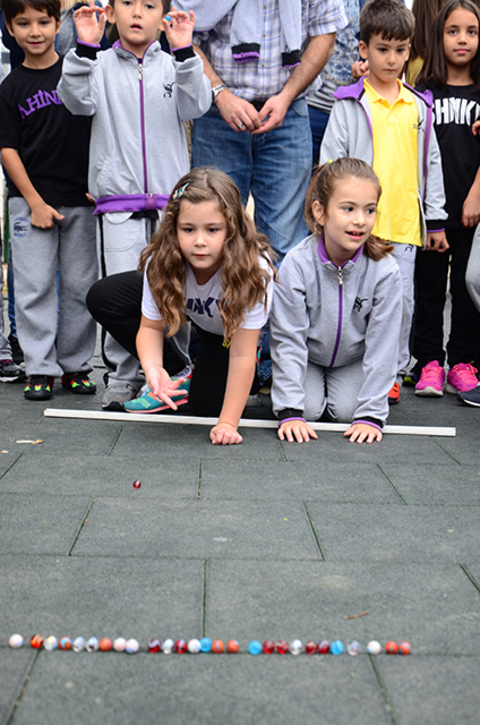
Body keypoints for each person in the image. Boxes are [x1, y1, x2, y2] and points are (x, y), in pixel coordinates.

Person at [57, 0, 211, 410]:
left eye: (148, 5)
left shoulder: (174, 63)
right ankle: (123, 377)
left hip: (171, 208)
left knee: (171, 293)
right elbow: (73, 100)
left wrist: (184, 53)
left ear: (163, 16)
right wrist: (84, 48)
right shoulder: (99, 64)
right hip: (118, 205)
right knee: (123, 294)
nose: (137, 12)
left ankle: (174, 375)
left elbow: (197, 105)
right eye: (127, 3)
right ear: (110, 12)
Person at [89, 168, 276, 445]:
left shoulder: (254, 271)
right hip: (203, 318)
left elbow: (241, 355)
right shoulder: (162, 262)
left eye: (212, 229)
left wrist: (227, 423)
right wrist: (153, 369)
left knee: (208, 405)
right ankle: (180, 372)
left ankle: (262, 367)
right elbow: (150, 327)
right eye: (188, 229)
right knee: (104, 294)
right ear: (173, 227)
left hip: (232, 336)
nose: (199, 241)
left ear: (232, 228)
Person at [320, 0, 448, 406]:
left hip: (406, 226)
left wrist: (437, 219)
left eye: (400, 49)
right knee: (356, 305)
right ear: (363, 49)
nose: (391, 59)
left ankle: (392, 374)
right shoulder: (348, 102)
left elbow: (432, 165)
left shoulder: (419, 105)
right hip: (358, 229)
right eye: (382, 49)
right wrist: (327, 215)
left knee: (400, 306)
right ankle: (351, 371)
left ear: (410, 50)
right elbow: (329, 163)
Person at [174, 0, 348, 262]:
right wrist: (221, 94)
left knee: (287, 244)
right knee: (211, 237)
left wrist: (287, 96)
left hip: (288, 111)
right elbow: (184, 35)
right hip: (218, 114)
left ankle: (279, 304)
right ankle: (219, 305)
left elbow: (324, 33)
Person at [0, 0, 98, 401]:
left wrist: (98, 181)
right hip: (30, 203)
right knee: (34, 286)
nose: (35, 31)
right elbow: (8, 150)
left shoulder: (79, 73)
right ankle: (39, 367)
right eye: (23, 23)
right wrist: (34, 202)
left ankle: (75, 365)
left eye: (43, 21)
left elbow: (100, 129)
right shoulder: (10, 87)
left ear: (59, 23)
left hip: (81, 200)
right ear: (9, 27)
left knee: (79, 287)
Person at [270, 158, 402, 445]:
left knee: (348, 413)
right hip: (309, 357)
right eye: (348, 209)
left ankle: (347, 395)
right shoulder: (296, 264)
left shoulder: (385, 270)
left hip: (353, 359)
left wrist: (371, 414)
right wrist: (290, 410)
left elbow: (384, 345)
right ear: (320, 212)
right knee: (307, 410)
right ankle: (303, 390)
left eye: (369, 210)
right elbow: (288, 338)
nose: (360, 220)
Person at [412, 0, 480, 397]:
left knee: (469, 292)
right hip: (431, 214)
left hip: (473, 211)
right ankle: (429, 362)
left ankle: (464, 361)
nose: (462, 40)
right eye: (453, 31)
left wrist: (475, 196)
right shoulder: (424, 92)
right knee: (429, 289)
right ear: (439, 37)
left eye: (472, 31)